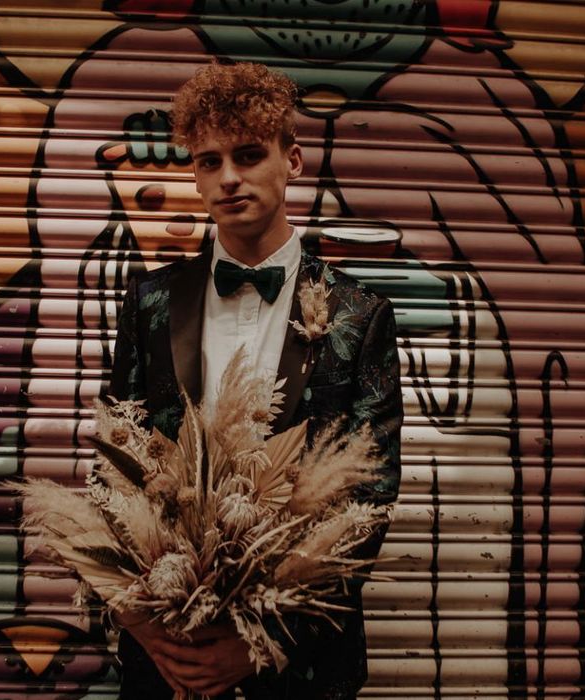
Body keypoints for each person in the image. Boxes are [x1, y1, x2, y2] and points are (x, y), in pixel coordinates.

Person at [108, 61, 402, 700]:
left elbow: (369, 501)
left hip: (301, 666)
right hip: (166, 660)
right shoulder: (149, 303)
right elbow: (115, 461)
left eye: (247, 154)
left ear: (292, 161)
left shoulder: (360, 315)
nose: (228, 177)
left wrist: (260, 642)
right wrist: (142, 625)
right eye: (208, 161)